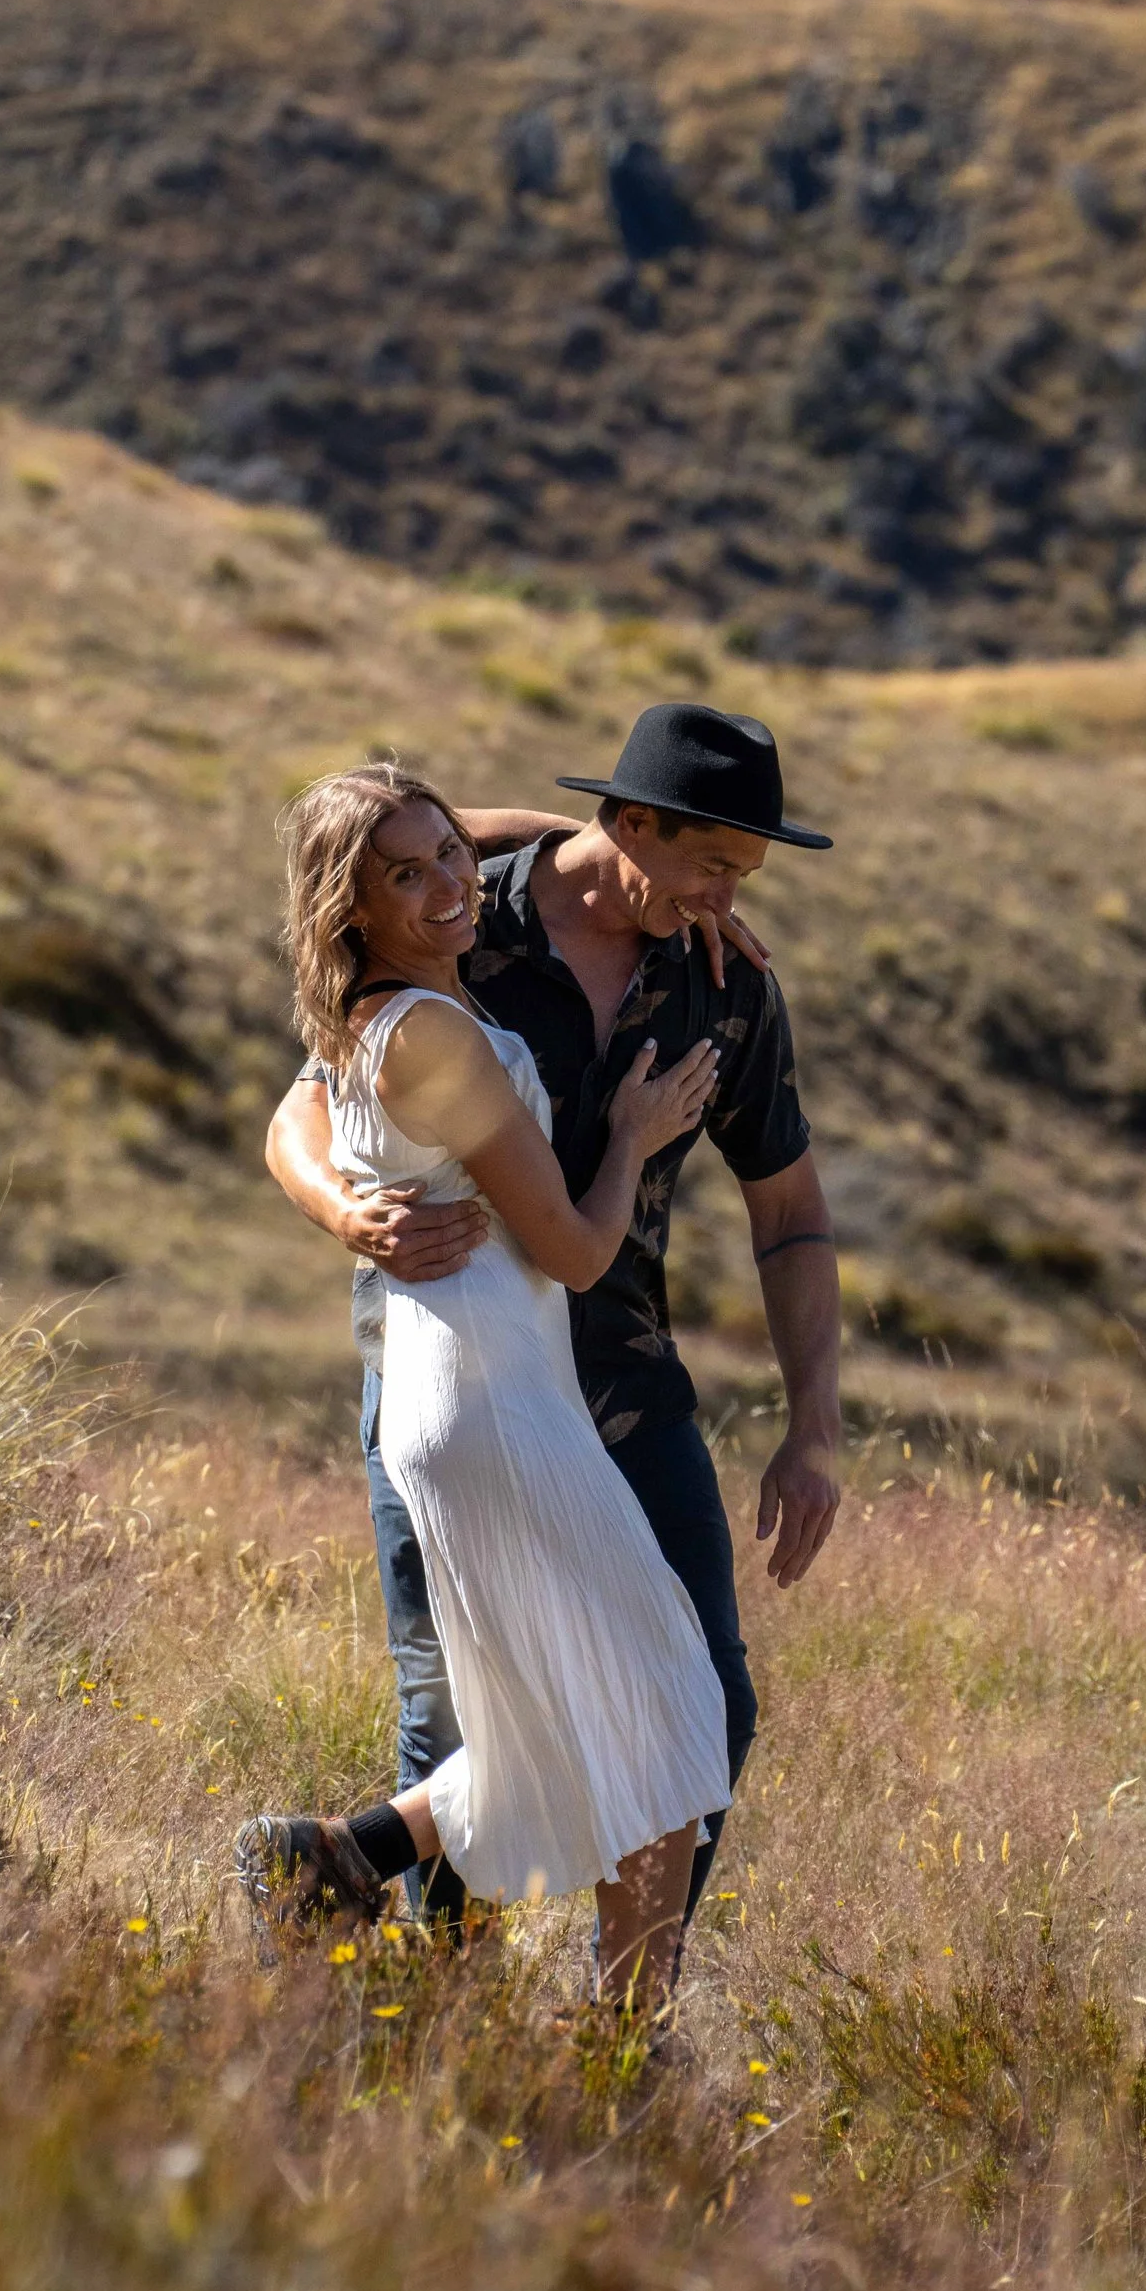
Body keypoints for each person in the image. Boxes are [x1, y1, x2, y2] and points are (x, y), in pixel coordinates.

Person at [262, 700, 843, 1932]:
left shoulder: (725, 990)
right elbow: (303, 1104)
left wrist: (815, 1427)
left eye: (745, 871)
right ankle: (425, 2016)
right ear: (627, 821)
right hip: (458, 1370)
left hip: (624, 1384)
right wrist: (344, 1213)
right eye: (715, 866)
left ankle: (621, 2028)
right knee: (458, 1712)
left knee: (704, 1704)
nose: (730, 897)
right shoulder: (467, 920)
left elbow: (788, 1210)